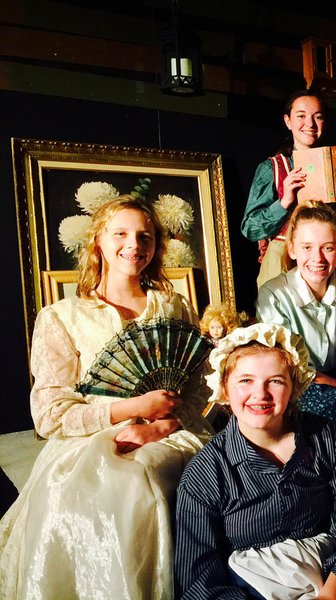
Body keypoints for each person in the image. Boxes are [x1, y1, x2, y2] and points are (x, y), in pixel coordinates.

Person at [0, 195, 213, 598]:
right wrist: (131, 411)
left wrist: (166, 422)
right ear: (97, 241)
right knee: (125, 480)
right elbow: (49, 415)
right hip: (89, 442)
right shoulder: (61, 317)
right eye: (121, 234)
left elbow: (201, 386)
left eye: (145, 236)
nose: (134, 245)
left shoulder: (174, 305)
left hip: (173, 432)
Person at [173, 322, 336, 599]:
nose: (260, 394)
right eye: (245, 381)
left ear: (294, 387)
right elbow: (199, 579)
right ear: (225, 390)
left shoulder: (326, 438)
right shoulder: (205, 473)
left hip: (329, 583)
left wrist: (331, 594)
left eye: (276, 381)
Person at [241, 89, 336, 289]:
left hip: (323, 263)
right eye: (301, 116)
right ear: (288, 121)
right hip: (282, 262)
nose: (310, 124)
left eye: (317, 117)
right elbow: (250, 228)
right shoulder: (272, 168)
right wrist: (284, 203)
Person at [255, 201, 336, 440]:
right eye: (307, 247)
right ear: (292, 249)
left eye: (327, 248)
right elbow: (286, 366)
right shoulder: (274, 295)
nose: (318, 258)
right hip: (297, 387)